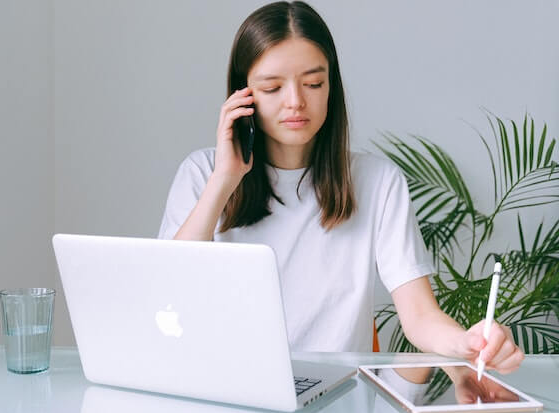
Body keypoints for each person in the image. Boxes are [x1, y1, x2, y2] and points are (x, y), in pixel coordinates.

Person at [158, 1, 523, 375]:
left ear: (331, 86)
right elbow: (168, 293)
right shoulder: (203, 174)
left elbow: (419, 315)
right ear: (242, 97)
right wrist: (224, 180)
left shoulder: (378, 182)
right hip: (226, 388)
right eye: (272, 88)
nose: (296, 101)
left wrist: (465, 343)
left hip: (339, 396)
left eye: (314, 83)